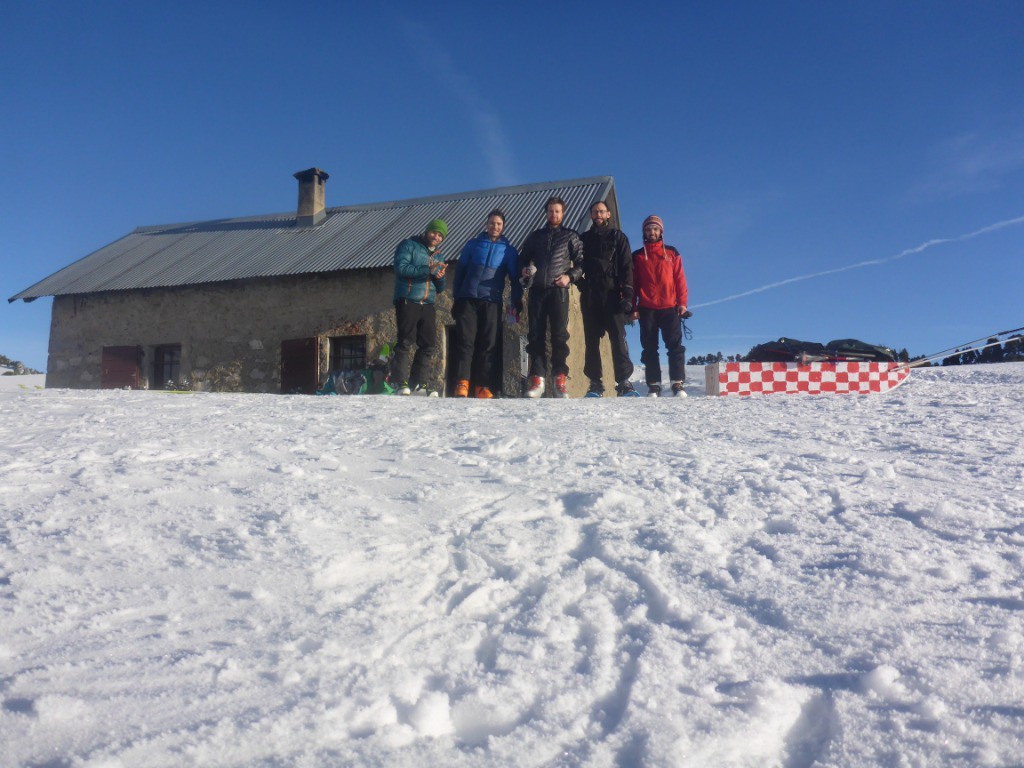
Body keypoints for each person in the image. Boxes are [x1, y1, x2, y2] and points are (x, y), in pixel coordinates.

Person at [451, 209, 523, 398]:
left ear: (503, 227)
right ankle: (462, 383)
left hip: (492, 301)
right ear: (487, 224)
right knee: (466, 342)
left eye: (499, 224)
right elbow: (460, 271)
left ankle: (482, 386)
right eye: (492, 223)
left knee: (488, 344)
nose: (495, 227)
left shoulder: (509, 251)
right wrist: (456, 298)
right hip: (468, 299)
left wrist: (517, 299)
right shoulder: (473, 245)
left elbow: (515, 278)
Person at [519, 196, 583, 398]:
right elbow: (522, 259)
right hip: (537, 291)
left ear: (563, 214)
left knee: (559, 336)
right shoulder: (535, 236)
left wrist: (569, 276)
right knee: (535, 335)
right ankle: (537, 380)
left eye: (557, 211)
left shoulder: (571, 236)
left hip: (558, 292)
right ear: (545, 213)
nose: (553, 214)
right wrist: (526, 270)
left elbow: (582, 263)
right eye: (550, 211)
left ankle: (559, 380)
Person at [579, 200, 638, 397]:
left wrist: (628, 295)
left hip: (612, 294)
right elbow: (578, 264)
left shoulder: (618, 237)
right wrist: (579, 283)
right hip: (590, 295)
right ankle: (595, 383)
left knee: (618, 338)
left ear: (608, 215)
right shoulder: (584, 239)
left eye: (602, 211)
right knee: (591, 340)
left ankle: (624, 382)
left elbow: (627, 268)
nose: (598, 215)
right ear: (591, 215)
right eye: (595, 211)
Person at [632, 214, 690, 397]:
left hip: (669, 306)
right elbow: (633, 284)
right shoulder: (638, 256)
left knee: (674, 346)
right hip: (646, 308)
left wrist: (682, 303)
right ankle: (654, 384)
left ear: (661, 231)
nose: (652, 232)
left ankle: (677, 383)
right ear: (644, 232)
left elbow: (680, 279)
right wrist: (633, 308)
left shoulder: (672, 253)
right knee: (649, 347)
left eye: (655, 229)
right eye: (648, 229)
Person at [391, 219, 448, 396]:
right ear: (426, 231)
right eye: (434, 232)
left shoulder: (438, 256)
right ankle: (399, 382)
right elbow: (401, 268)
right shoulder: (409, 245)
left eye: (440, 235)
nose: (436, 237)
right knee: (405, 341)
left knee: (428, 345)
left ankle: (419, 384)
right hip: (408, 299)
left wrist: (439, 276)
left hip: (428, 303)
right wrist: (427, 270)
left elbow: (440, 288)